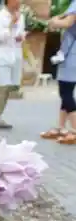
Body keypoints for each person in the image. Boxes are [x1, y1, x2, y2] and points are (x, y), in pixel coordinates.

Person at [40, 1, 76, 144]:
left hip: (71, 54)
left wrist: (54, 22)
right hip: (71, 53)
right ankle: (60, 128)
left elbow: (68, 22)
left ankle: (74, 130)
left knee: (65, 92)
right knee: (66, 90)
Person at [0, 0, 26, 129]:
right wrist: (12, 23)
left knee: (8, 88)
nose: (19, 2)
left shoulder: (21, 17)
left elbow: (19, 34)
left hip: (14, 56)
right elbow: (0, 37)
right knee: (1, 87)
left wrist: (20, 36)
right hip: (0, 56)